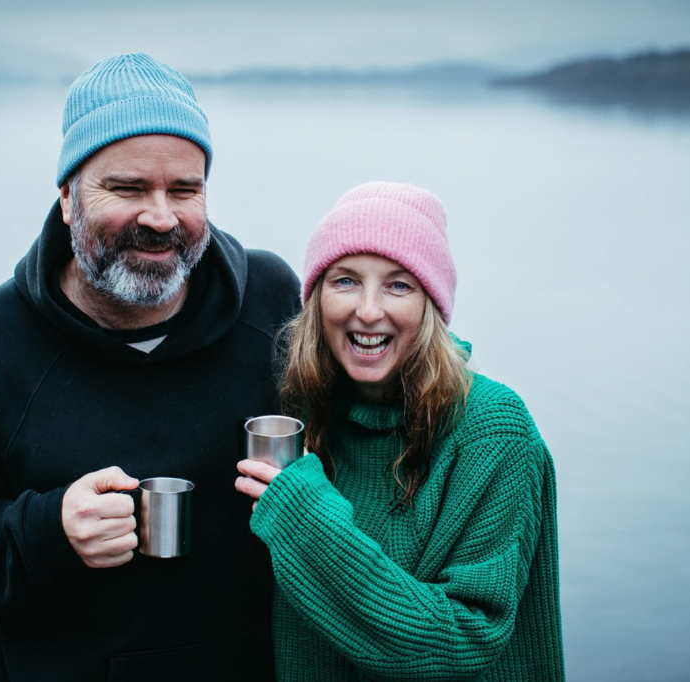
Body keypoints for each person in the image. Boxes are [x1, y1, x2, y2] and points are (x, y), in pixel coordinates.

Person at [0, 53, 300, 681]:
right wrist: (46, 532)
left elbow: (360, 437)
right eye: (129, 188)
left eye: (184, 190)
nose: (161, 218)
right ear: (67, 198)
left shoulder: (269, 299)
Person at [235, 182, 565, 680]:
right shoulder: (301, 412)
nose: (368, 311)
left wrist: (308, 522)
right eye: (345, 281)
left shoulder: (493, 431)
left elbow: (465, 639)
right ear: (316, 298)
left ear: (431, 305)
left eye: (398, 285)